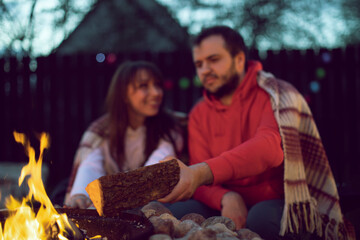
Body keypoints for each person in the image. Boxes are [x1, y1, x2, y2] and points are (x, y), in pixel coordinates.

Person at [158, 26, 354, 240]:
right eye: (199, 64)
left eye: (213, 59)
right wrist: (226, 197)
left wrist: (200, 173)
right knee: (175, 214)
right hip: (223, 203)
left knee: (261, 219)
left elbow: (269, 148)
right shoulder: (199, 113)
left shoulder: (275, 95)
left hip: (274, 200)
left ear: (239, 59)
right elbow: (199, 177)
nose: (205, 70)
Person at [64, 60, 183, 208]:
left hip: (149, 202)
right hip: (108, 198)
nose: (156, 93)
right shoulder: (101, 130)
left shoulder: (169, 127)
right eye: (144, 86)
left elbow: (159, 163)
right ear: (123, 95)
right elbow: (91, 164)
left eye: (158, 85)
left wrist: (128, 195)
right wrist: (81, 196)